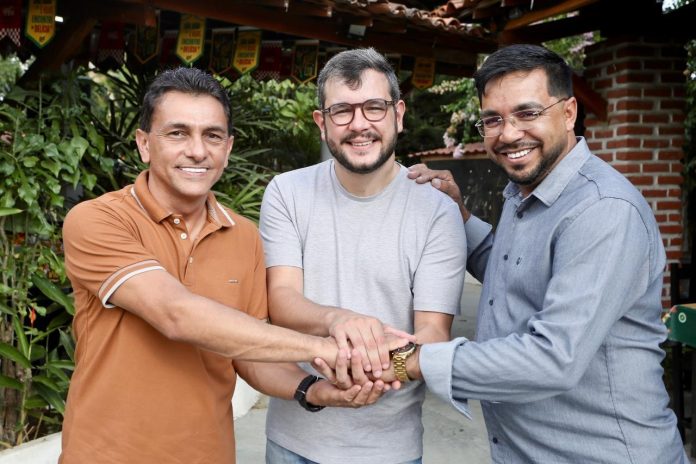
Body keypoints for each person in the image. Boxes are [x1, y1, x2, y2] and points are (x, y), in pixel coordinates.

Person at [59, 67, 404, 464]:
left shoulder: (244, 236)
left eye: (212, 135)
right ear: (144, 144)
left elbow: (249, 351)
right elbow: (176, 314)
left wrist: (313, 389)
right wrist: (330, 346)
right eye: (177, 133)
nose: (197, 151)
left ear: (227, 148)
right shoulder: (98, 220)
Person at [399, 44, 688, 463]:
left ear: (569, 113)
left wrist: (413, 361)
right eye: (493, 119)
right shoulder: (525, 191)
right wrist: (459, 215)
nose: (508, 134)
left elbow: (553, 358)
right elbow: (512, 274)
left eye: (527, 113)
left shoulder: (602, 210)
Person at [259, 48, 467, 464]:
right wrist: (341, 320)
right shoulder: (286, 192)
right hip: (293, 440)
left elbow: (432, 333)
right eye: (342, 111)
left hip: (389, 448)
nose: (359, 125)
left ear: (398, 115)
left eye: (374, 107)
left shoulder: (437, 211)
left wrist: (367, 367)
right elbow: (281, 300)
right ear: (322, 123)